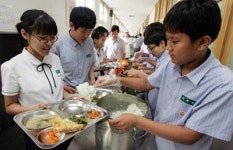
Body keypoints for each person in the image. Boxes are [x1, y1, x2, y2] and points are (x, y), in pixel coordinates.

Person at [95, 0, 233, 149]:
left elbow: (189, 135)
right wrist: (116, 79)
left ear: (202, 42)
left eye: (174, 41)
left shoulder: (222, 85)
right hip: (157, 140)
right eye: (167, 39)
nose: (168, 48)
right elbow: (147, 83)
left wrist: (138, 121)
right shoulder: (172, 63)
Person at [1, 9, 71, 150]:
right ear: (25, 34)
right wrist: (31, 108)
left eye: (52, 37)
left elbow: (58, 87)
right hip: (37, 130)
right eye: (42, 38)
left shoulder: (55, 59)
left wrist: (71, 96)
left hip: (63, 122)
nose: (49, 43)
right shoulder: (12, 67)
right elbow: (9, 107)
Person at [51, 6, 96, 94]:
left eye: (90, 32)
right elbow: (52, 72)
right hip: (67, 91)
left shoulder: (89, 42)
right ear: (71, 25)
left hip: (85, 90)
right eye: (83, 31)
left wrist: (93, 79)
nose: (86, 35)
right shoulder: (58, 45)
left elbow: (90, 64)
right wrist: (63, 86)